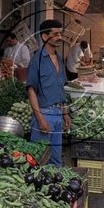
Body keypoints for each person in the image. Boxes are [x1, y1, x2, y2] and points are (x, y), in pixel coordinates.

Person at [26, 20, 71, 167]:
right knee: (38, 160)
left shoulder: (58, 58)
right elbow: (31, 91)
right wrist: (40, 119)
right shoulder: (36, 61)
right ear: (45, 37)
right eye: (55, 34)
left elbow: (60, 88)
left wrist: (65, 113)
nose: (60, 37)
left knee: (56, 160)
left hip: (58, 114)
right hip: (45, 114)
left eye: (60, 33)